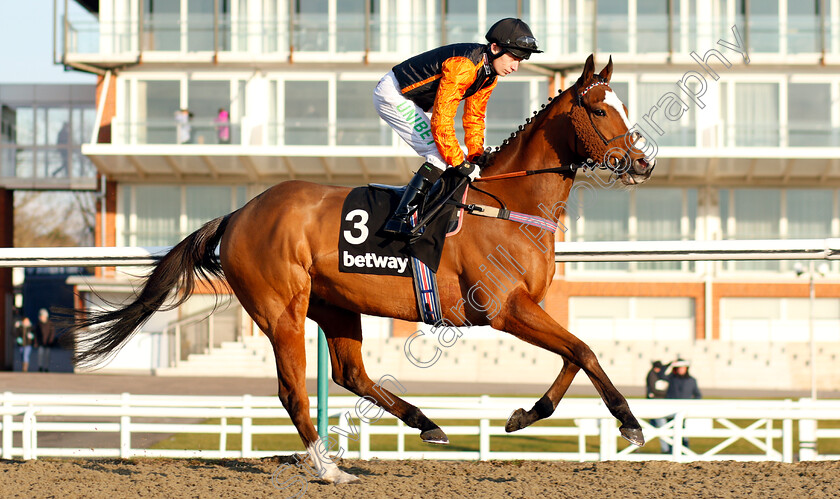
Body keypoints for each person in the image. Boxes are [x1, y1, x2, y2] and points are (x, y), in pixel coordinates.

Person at [373, 18, 542, 238]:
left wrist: (475, 154)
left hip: (414, 101)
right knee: (440, 155)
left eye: (521, 60)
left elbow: (474, 116)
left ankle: (423, 212)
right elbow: (442, 120)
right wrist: (459, 162)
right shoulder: (464, 66)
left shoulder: (489, 76)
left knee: (452, 156)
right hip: (394, 95)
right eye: (513, 57)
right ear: (495, 48)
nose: (515, 67)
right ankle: (400, 219)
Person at [662, 358, 702, 453]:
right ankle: (671, 452)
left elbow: (698, 395)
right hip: (671, 410)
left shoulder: (691, 380)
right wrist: (670, 363)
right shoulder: (672, 378)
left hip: (684, 410)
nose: (681, 370)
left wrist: (692, 405)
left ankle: (685, 451)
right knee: (671, 431)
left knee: (683, 431)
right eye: (679, 368)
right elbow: (660, 375)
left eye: (682, 368)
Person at [645, 360, 671, 453]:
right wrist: (665, 393)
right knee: (661, 426)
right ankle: (665, 449)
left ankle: (634, 445)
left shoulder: (653, 373)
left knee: (649, 427)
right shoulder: (652, 375)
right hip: (655, 404)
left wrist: (671, 362)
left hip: (655, 403)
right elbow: (653, 389)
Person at [34, 308, 55, 372]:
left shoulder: (50, 324)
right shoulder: (38, 324)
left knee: (47, 356)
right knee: (40, 355)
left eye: (42, 315)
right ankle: (40, 366)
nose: (41, 317)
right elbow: (36, 334)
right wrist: (36, 342)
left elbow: (52, 333)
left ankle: (46, 367)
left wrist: (50, 340)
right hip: (40, 342)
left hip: (47, 343)